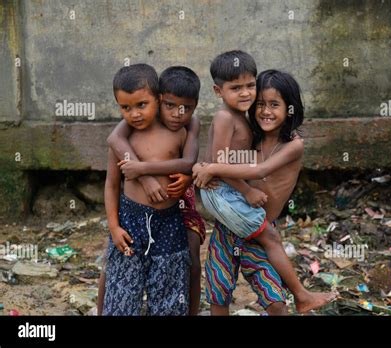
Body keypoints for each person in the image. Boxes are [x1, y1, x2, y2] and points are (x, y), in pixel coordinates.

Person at [195, 59, 336, 314]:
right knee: (218, 293)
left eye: (274, 105)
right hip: (229, 227)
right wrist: (203, 166)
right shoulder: (252, 134)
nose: (265, 111)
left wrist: (212, 168)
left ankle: (302, 297)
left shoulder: (293, 144)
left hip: (257, 230)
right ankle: (302, 296)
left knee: (276, 302)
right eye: (260, 104)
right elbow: (224, 158)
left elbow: (259, 170)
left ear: (290, 109)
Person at [98, 66, 205, 316]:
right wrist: (114, 227)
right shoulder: (125, 137)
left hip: (169, 221)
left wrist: (148, 171)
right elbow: (112, 184)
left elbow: (189, 163)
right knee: (122, 289)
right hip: (131, 219)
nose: (134, 114)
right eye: (126, 108)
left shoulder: (181, 129)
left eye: (142, 105)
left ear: (157, 98)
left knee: (169, 293)